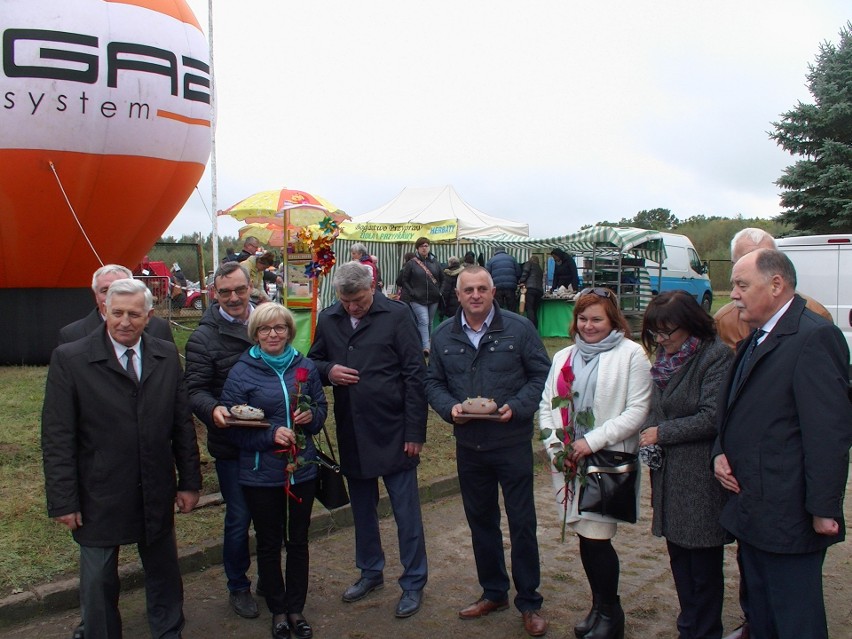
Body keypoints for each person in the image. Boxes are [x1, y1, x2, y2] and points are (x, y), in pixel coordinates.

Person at [42, 278, 201, 639]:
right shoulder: (71, 358)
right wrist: (64, 500)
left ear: (149, 316)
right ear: (104, 312)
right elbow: (57, 435)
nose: (124, 322)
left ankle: (168, 630)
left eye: (134, 314)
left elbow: (182, 424)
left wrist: (190, 483)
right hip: (98, 489)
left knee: (163, 570)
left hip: (155, 484)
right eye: (116, 313)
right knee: (97, 579)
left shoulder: (164, 354)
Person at [712, 249, 852, 639]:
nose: (733, 295)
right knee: (762, 613)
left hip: (788, 512)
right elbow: (735, 408)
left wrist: (823, 508)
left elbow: (829, 432)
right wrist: (719, 451)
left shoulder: (813, 336)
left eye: (741, 285)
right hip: (752, 507)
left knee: (794, 618)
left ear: (776, 285)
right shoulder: (757, 334)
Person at [425, 266, 551, 637]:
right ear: (458, 295)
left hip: (510, 442)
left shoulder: (519, 329)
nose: (476, 295)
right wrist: (449, 409)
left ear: (494, 291)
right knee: (481, 522)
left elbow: (541, 374)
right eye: (469, 290)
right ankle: (494, 591)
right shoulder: (443, 334)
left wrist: (518, 405)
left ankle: (529, 602)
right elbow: (432, 381)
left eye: (482, 289)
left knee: (522, 523)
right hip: (470, 446)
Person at [307, 261, 428, 619]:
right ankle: (370, 571)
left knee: (406, 512)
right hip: (353, 431)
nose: (352, 308)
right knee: (362, 511)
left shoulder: (397, 315)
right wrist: (329, 370)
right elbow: (311, 363)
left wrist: (414, 432)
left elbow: (415, 376)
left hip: (394, 431)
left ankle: (413, 582)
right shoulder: (329, 319)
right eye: (346, 302)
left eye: (358, 300)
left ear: (371, 287)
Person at [538, 286, 651, 639]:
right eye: (583, 319)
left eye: (597, 319)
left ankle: (611, 613)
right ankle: (598, 606)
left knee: (597, 536)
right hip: (569, 461)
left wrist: (591, 441)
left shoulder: (632, 355)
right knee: (584, 536)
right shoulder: (564, 356)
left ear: (612, 320)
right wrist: (556, 446)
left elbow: (638, 410)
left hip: (604, 459)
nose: (589, 326)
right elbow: (547, 404)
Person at [219, 303, 328, 639]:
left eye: (279, 328)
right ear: (255, 333)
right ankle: (277, 609)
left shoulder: (304, 365)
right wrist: (269, 435)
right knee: (268, 542)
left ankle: (296, 609)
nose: (273, 334)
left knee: (298, 541)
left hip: (302, 469)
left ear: (288, 331)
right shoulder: (243, 371)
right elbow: (232, 427)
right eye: (265, 329)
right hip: (261, 473)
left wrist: (313, 417)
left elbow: (321, 407)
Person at [638, 291, 733, 639]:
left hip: (699, 478)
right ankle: (688, 625)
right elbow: (656, 404)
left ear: (691, 324)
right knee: (679, 558)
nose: (662, 340)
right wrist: (651, 425)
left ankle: (705, 630)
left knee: (703, 566)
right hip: (669, 475)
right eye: (656, 334)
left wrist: (661, 432)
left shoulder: (715, 356)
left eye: (668, 333)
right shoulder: (665, 358)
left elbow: (712, 417)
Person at [184, 261, 261, 620]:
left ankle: (272, 582)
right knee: (239, 516)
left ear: (250, 288)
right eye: (225, 291)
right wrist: (213, 410)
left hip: (272, 438)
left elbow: (294, 366)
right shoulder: (203, 337)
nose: (233, 297)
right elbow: (194, 389)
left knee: (272, 516)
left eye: (239, 290)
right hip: (232, 442)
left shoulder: (269, 321)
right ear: (215, 293)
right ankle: (238, 586)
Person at [715, 228, 832, 349]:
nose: (759, 265)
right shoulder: (723, 322)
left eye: (767, 258)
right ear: (734, 265)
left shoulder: (816, 315)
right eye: (747, 259)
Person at [59, 264, 173, 344]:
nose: (112, 296)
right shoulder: (72, 335)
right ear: (95, 295)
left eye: (120, 289)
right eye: (105, 291)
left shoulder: (159, 328)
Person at [400, 237, 443, 355]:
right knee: (423, 320)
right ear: (417, 248)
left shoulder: (435, 263)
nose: (424, 248)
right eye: (422, 246)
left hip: (433, 298)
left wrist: (440, 291)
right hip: (417, 299)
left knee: (429, 322)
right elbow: (405, 280)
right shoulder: (411, 263)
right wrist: (412, 291)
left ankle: (425, 342)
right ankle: (426, 347)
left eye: (426, 246)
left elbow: (442, 279)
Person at [485, 247, 522, 313]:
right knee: (511, 307)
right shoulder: (512, 259)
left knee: (498, 307)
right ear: (504, 250)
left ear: (495, 251)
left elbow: (486, 274)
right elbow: (518, 272)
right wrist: (516, 281)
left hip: (497, 286)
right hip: (510, 286)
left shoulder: (491, 260)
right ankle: (512, 321)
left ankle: (500, 321)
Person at [519, 255, 545, 328]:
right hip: (539, 291)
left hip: (530, 289)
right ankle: (535, 328)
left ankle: (530, 327)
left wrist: (521, 281)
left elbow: (525, 273)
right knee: (534, 310)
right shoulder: (540, 269)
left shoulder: (528, 264)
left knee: (529, 309)